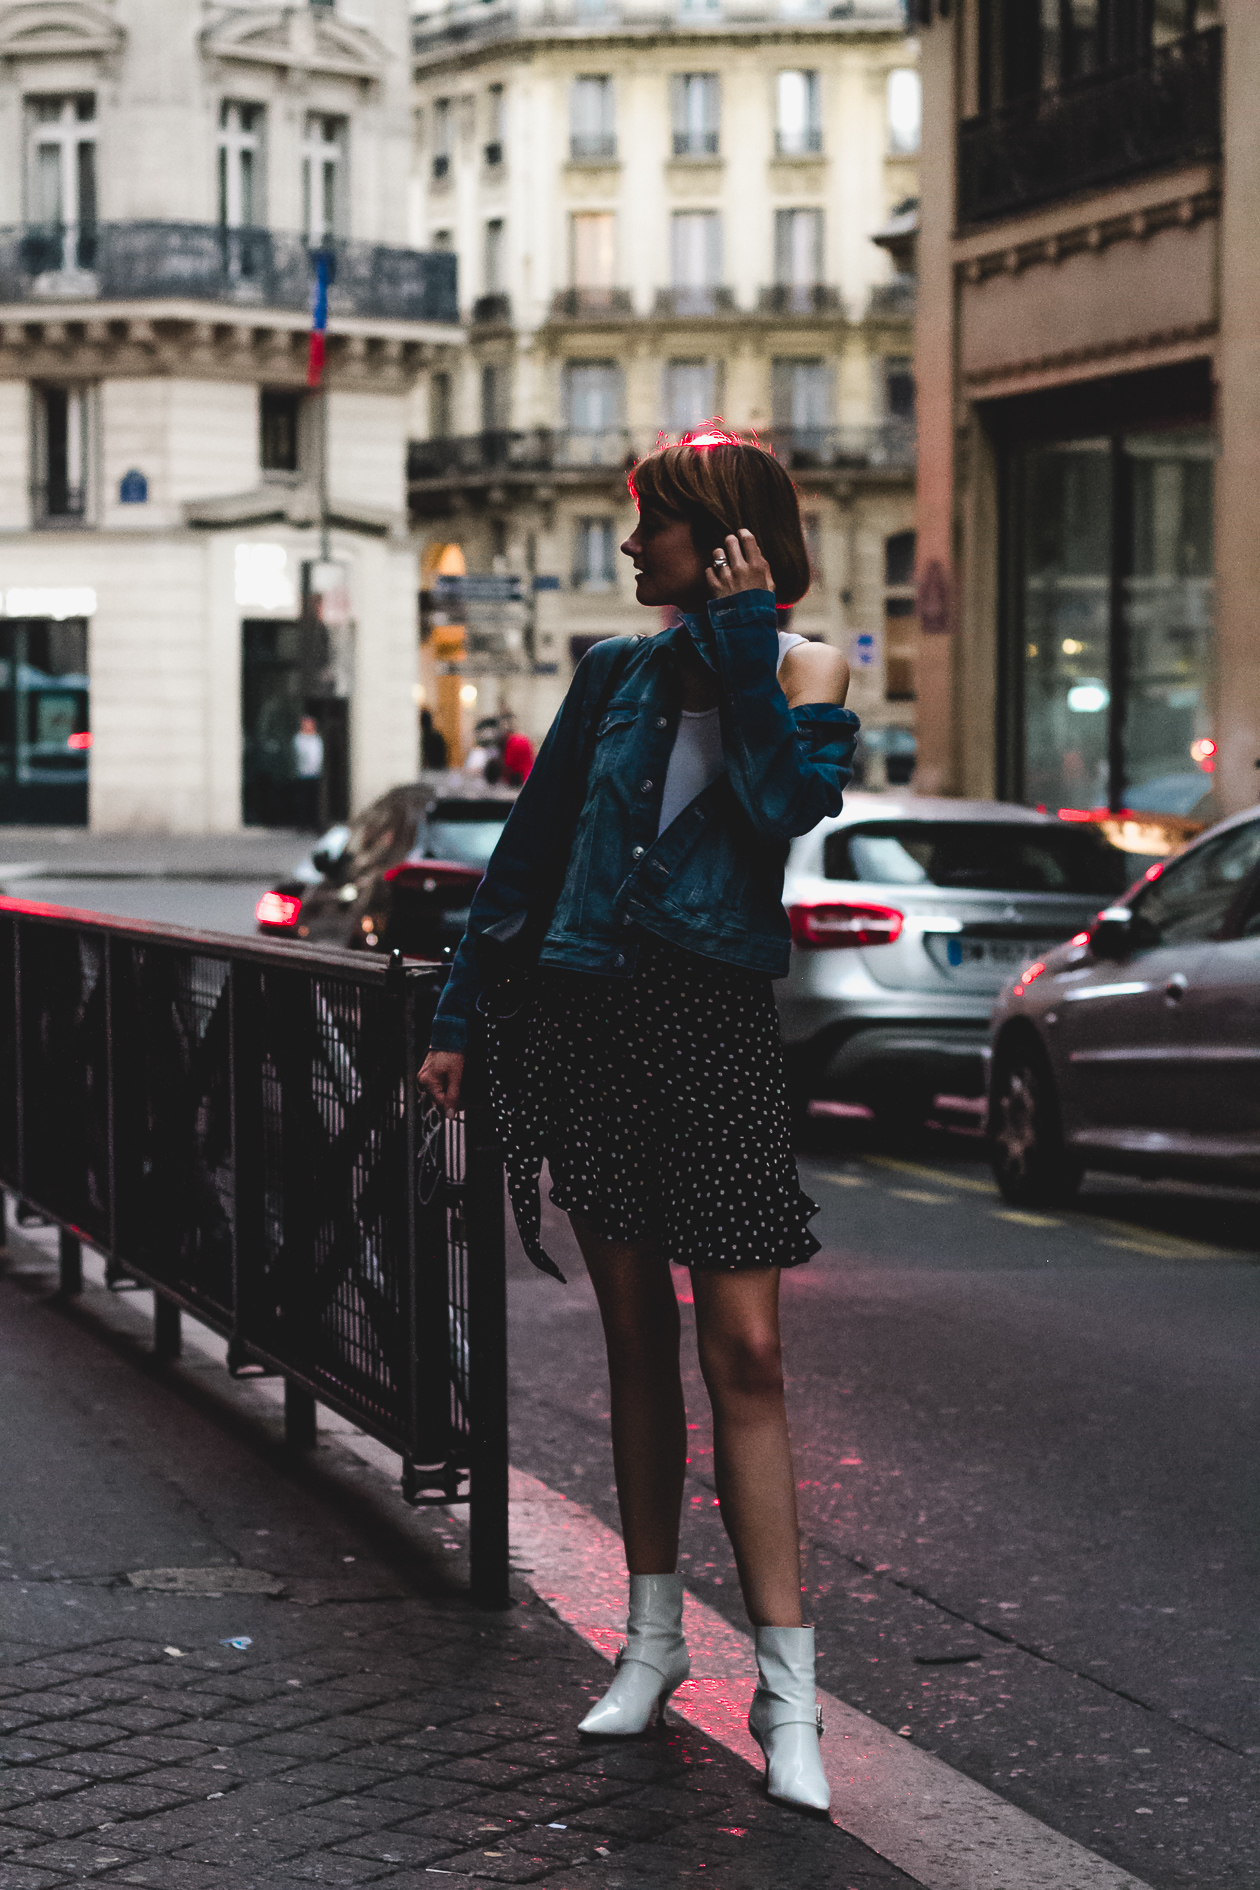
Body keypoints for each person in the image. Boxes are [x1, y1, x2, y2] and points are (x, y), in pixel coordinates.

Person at [419, 432, 856, 1815]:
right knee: (632, 1342)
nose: (630, 548)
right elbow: (531, 855)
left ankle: (791, 1694)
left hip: (714, 1031)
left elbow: (786, 806)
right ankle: (653, 1639)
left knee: (749, 1349)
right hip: (593, 1018)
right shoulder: (609, 674)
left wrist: (740, 652)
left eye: (654, 526)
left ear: (722, 538)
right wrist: (454, 1013)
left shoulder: (806, 669)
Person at [291, 714, 324, 831]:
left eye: (310, 724)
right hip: (302, 774)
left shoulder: (317, 739)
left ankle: (315, 823)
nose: (308, 726)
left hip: (316, 774)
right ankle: (302, 824)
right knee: (302, 800)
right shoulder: (298, 739)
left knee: (315, 801)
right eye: (306, 724)